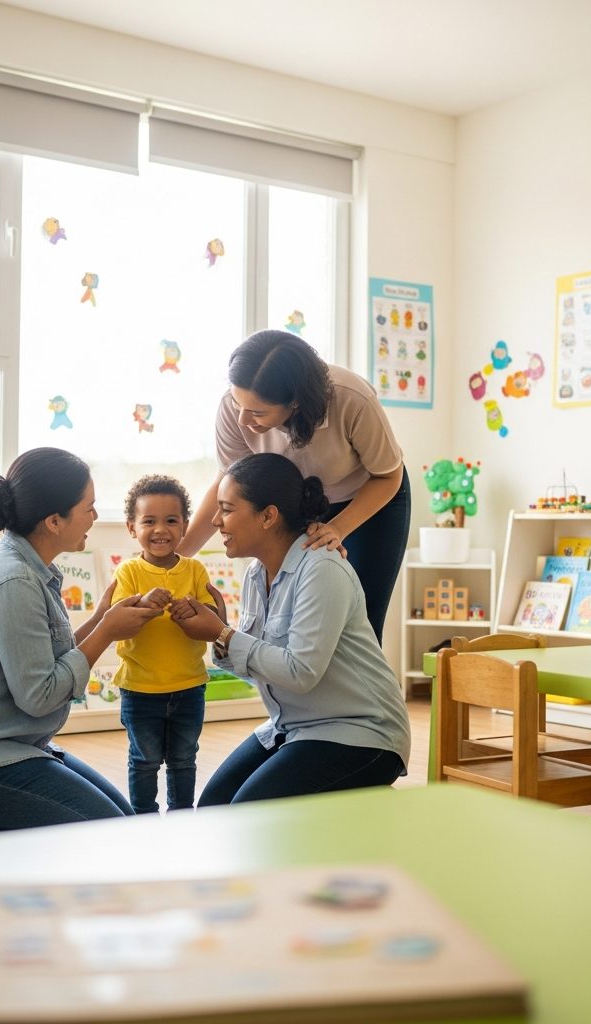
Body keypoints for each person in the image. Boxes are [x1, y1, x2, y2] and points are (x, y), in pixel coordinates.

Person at [0, 447, 162, 835]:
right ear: (54, 521)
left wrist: (99, 620)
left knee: (125, 820)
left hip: (5, 746)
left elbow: (39, 662)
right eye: (89, 507)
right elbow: (39, 694)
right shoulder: (14, 580)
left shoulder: (27, 566)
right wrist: (107, 631)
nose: (94, 516)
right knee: (109, 832)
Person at [170, 453, 411, 806]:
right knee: (212, 808)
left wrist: (224, 635)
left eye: (227, 509)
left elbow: (300, 673)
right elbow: (267, 673)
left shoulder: (322, 570)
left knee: (246, 812)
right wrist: (221, 634)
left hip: (363, 734)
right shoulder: (255, 574)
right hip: (292, 728)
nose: (215, 521)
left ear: (268, 516)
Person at [179, 329, 410, 643]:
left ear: (296, 402)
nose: (243, 419)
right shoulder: (236, 407)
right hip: (297, 503)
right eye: (238, 405)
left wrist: (338, 528)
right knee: (292, 625)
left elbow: (388, 476)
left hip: (370, 498)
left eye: (258, 412)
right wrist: (179, 555)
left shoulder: (351, 398)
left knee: (358, 625)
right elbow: (228, 484)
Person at [111, 474, 227, 814]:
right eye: (149, 521)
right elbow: (119, 618)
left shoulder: (195, 570)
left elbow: (212, 616)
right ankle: (143, 815)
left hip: (190, 686)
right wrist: (145, 602)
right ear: (132, 528)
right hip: (140, 688)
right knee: (144, 759)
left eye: (171, 521)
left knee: (183, 759)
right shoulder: (128, 572)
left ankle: (181, 813)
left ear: (185, 526)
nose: (160, 529)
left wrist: (197, 609)